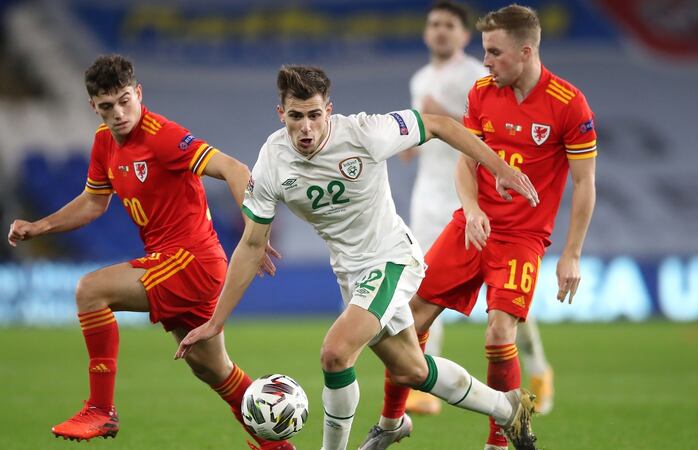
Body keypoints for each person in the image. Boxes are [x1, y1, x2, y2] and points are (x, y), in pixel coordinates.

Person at [175, 65, 540, 450]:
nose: (306, 128)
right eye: (296, 117)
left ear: (328, 110)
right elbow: (251, 245)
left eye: (315, 115)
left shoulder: (365, 132)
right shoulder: (272, 160)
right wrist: (216, 322)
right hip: (351, 274)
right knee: (411, 369)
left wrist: (499, 168)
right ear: (281, 114)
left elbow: (439, 125)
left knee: (335, 353)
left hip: (391, 259)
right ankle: (506, 407)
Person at [7, 54, 292, 450]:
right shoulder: (104, 143)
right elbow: (93, 202)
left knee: (90, 290)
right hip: (175, 263)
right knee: (215, 372)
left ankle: (100, 409)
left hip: (191, 260)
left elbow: (234, 167)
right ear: (94, 107)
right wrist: (40, 226)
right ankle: (278, 447)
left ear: (138, 93)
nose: (119, 113)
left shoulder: (163, 136)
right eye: (107, 106)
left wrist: (254, 234)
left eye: (125, 100)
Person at [368, 5, 598, 450]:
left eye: (494, 52)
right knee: (407, 319)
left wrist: (572, 252)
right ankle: (392, 422)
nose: (487, 61)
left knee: (499, 331)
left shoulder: (569, 105)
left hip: (522, 238)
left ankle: (498, 441)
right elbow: (467, 159)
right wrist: (472, 209)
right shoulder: (482, 92)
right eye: (485, 52)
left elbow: (585, 183)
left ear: (525, 51)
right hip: (469, 224)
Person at [401, 1, 554, 417]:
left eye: (449, 25)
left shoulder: (477, 74)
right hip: (428, 199)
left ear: (464, 35)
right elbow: (426, 129)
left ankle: (538, 368)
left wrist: (440, 114)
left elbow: (481, 133)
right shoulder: (420, 78)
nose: (440, 31)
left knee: (505, 308)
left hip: (477, 198)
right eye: (434, 24)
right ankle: (422, 384)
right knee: (425, 291)